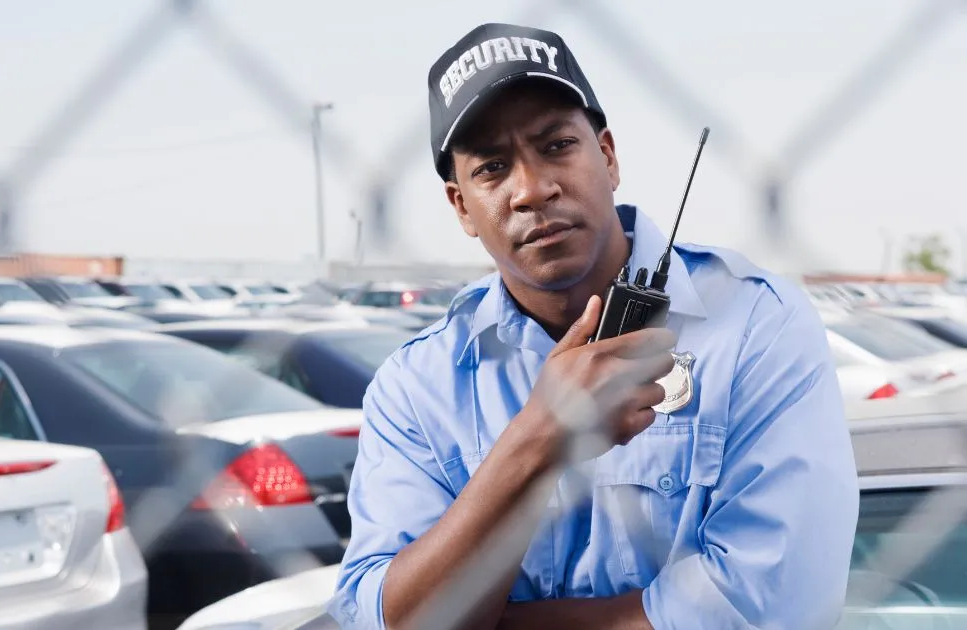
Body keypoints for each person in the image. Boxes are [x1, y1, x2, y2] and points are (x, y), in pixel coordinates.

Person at [328, 22, 859, 630]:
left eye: (556, 145)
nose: (533, 190)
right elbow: (385, 614)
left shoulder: (753, 325)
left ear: (607, 157)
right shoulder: (417, 385)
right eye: (493, 167)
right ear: (461, 207)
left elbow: (772, 605)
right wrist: (538, 439)